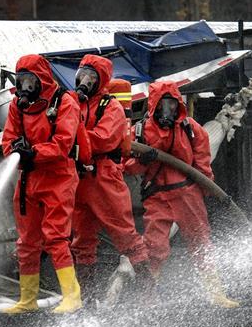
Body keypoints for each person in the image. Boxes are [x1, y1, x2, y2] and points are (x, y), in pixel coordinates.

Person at [124, 81, 240, 308]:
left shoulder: (191, 129)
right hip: (157, 196)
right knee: (154, 247)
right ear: (153, 105)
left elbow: (203, 165)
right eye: (163, 104)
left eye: (172, 104)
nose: (167, 110)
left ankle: (216, 294)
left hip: (188, 193)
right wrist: (141, 160)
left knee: (201, 243)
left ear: (179, 105)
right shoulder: (140, 131)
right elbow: (127, 165)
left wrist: (208, 189)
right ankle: (147, 298)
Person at [0, 54, 83, 314]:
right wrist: (16, 149)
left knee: (56, 238)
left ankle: (72, 296)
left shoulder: (64, 102)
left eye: (30, 80)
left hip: (58, 177)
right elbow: (7, 140)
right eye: (21, 80)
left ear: (42, 79)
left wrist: (34, 152)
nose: (25, 86)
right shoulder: (18, 106)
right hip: (28, 180)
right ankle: (28, 300)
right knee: (27, 242)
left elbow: (63, 144)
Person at [70, 55, 150, 295]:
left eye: (91, 77)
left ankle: (148, 291)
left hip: (104, 177)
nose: (84, 81)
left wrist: (71, 139)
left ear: (101, 80)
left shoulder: (111, 107)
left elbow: (104, 138)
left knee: (125, 236)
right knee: (81, 241)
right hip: (78, 179)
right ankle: (86, 298)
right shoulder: (71, 103)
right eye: (82, 75)